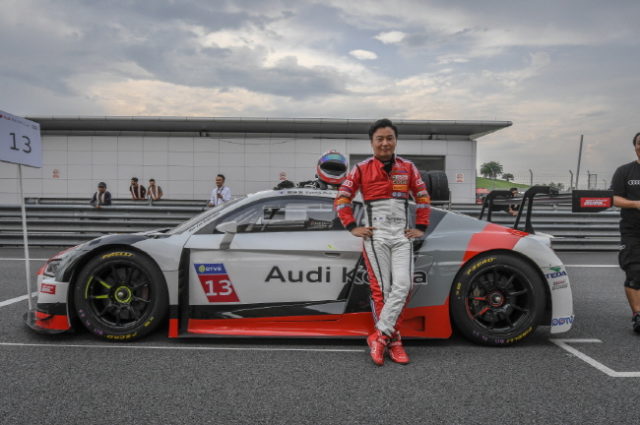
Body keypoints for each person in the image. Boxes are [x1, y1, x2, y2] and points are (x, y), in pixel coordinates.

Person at [334, 118, 431, 365]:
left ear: (395, 140)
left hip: (401, 236)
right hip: (375, 236)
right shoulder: (361, 168)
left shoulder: (408, 167)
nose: (385, 143)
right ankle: (395, 341)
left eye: (389, 138)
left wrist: (420, 227)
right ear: (372, 142)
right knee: (383, 291)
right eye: (380, 139)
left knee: (404, 286)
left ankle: (379, 337)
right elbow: (341, 199)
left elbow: (422, 197)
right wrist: (353, 226)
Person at [611, 132, 640, 333]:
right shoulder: (625, 171)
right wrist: (635, 204)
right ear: (635, 146)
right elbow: (613, 198)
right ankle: (638, 315)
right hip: (632, 231)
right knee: (635, 272)